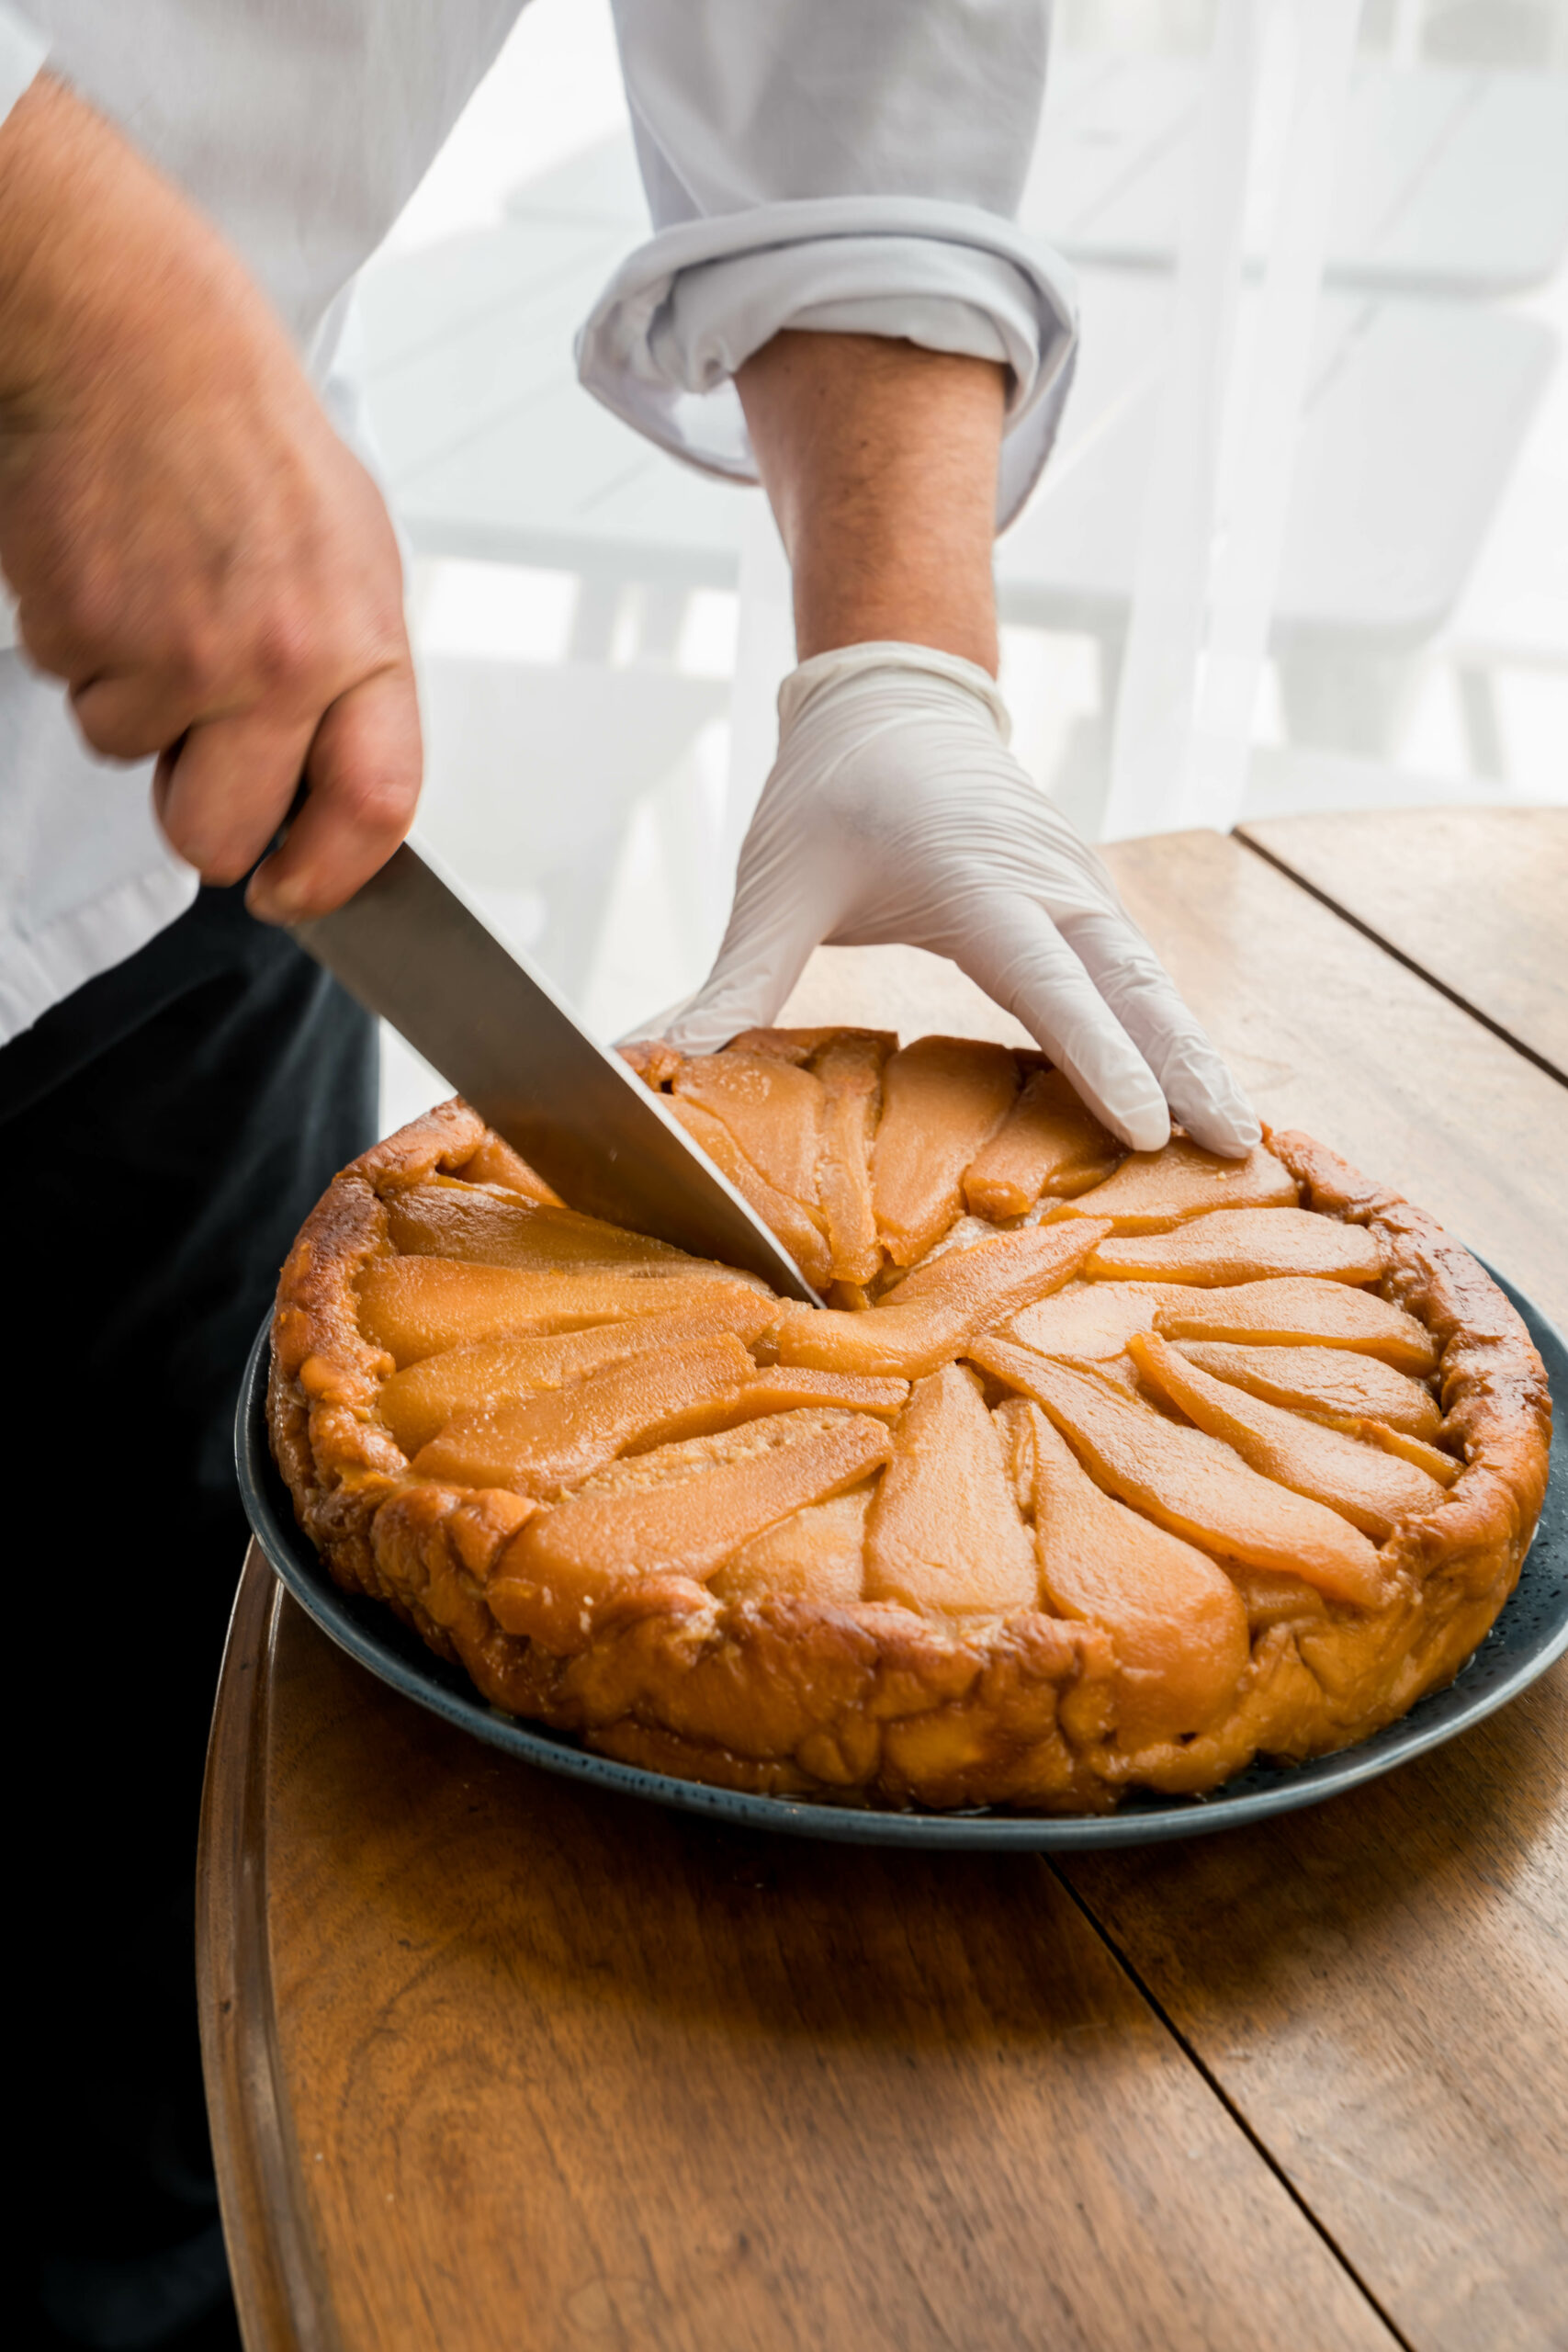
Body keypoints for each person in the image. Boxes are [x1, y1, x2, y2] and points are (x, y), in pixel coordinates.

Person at [0, 5, 1258, 2344]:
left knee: (156, 2029)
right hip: (173, 650)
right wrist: (56, 260)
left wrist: (898, 657)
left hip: (170, 822)